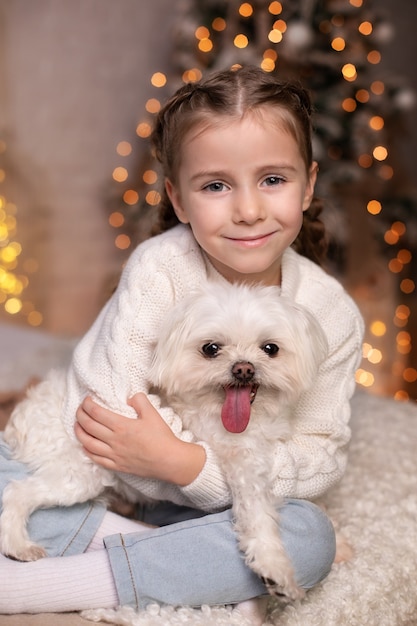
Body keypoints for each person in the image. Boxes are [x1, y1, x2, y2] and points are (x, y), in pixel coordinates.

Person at [0, 65, 364, 615]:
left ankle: (74, 572)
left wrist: (188, 467)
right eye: (216, 185)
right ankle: (174, 560)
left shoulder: (332, 313)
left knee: (309, 537)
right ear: (177, 197)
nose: (248, 209)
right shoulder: (159, 270)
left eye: (273, 179)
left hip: (207, 503)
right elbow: (112, 404)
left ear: (309, 184)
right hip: (112, 468)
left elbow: (318, 453)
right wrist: (160, 460)